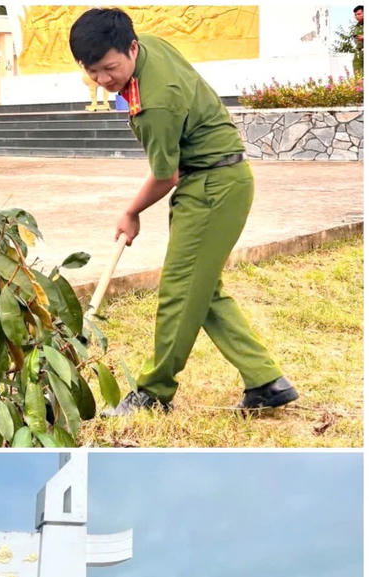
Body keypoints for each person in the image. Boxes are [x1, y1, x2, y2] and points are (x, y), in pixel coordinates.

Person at [68, 8, 298, 416]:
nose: (103, 80)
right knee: (201, 289)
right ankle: (265, 380)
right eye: (92, 72)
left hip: (211, 187)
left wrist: (130, 211)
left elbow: (165, 174)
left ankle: (153, 393)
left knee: (178, 291)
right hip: (218, 180)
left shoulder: (157, 103)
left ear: (131, 48)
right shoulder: (150, 48)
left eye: (110, 68)